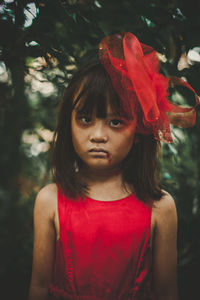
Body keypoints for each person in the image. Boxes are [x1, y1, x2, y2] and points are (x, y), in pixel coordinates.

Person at [28, 32, 199, 300]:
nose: (98, 135)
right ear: (68, 124)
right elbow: (38, 287)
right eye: (85, 119)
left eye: (116, 122)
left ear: (138, 129)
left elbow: (168, 292)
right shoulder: (50, 200)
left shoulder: (161, 207)